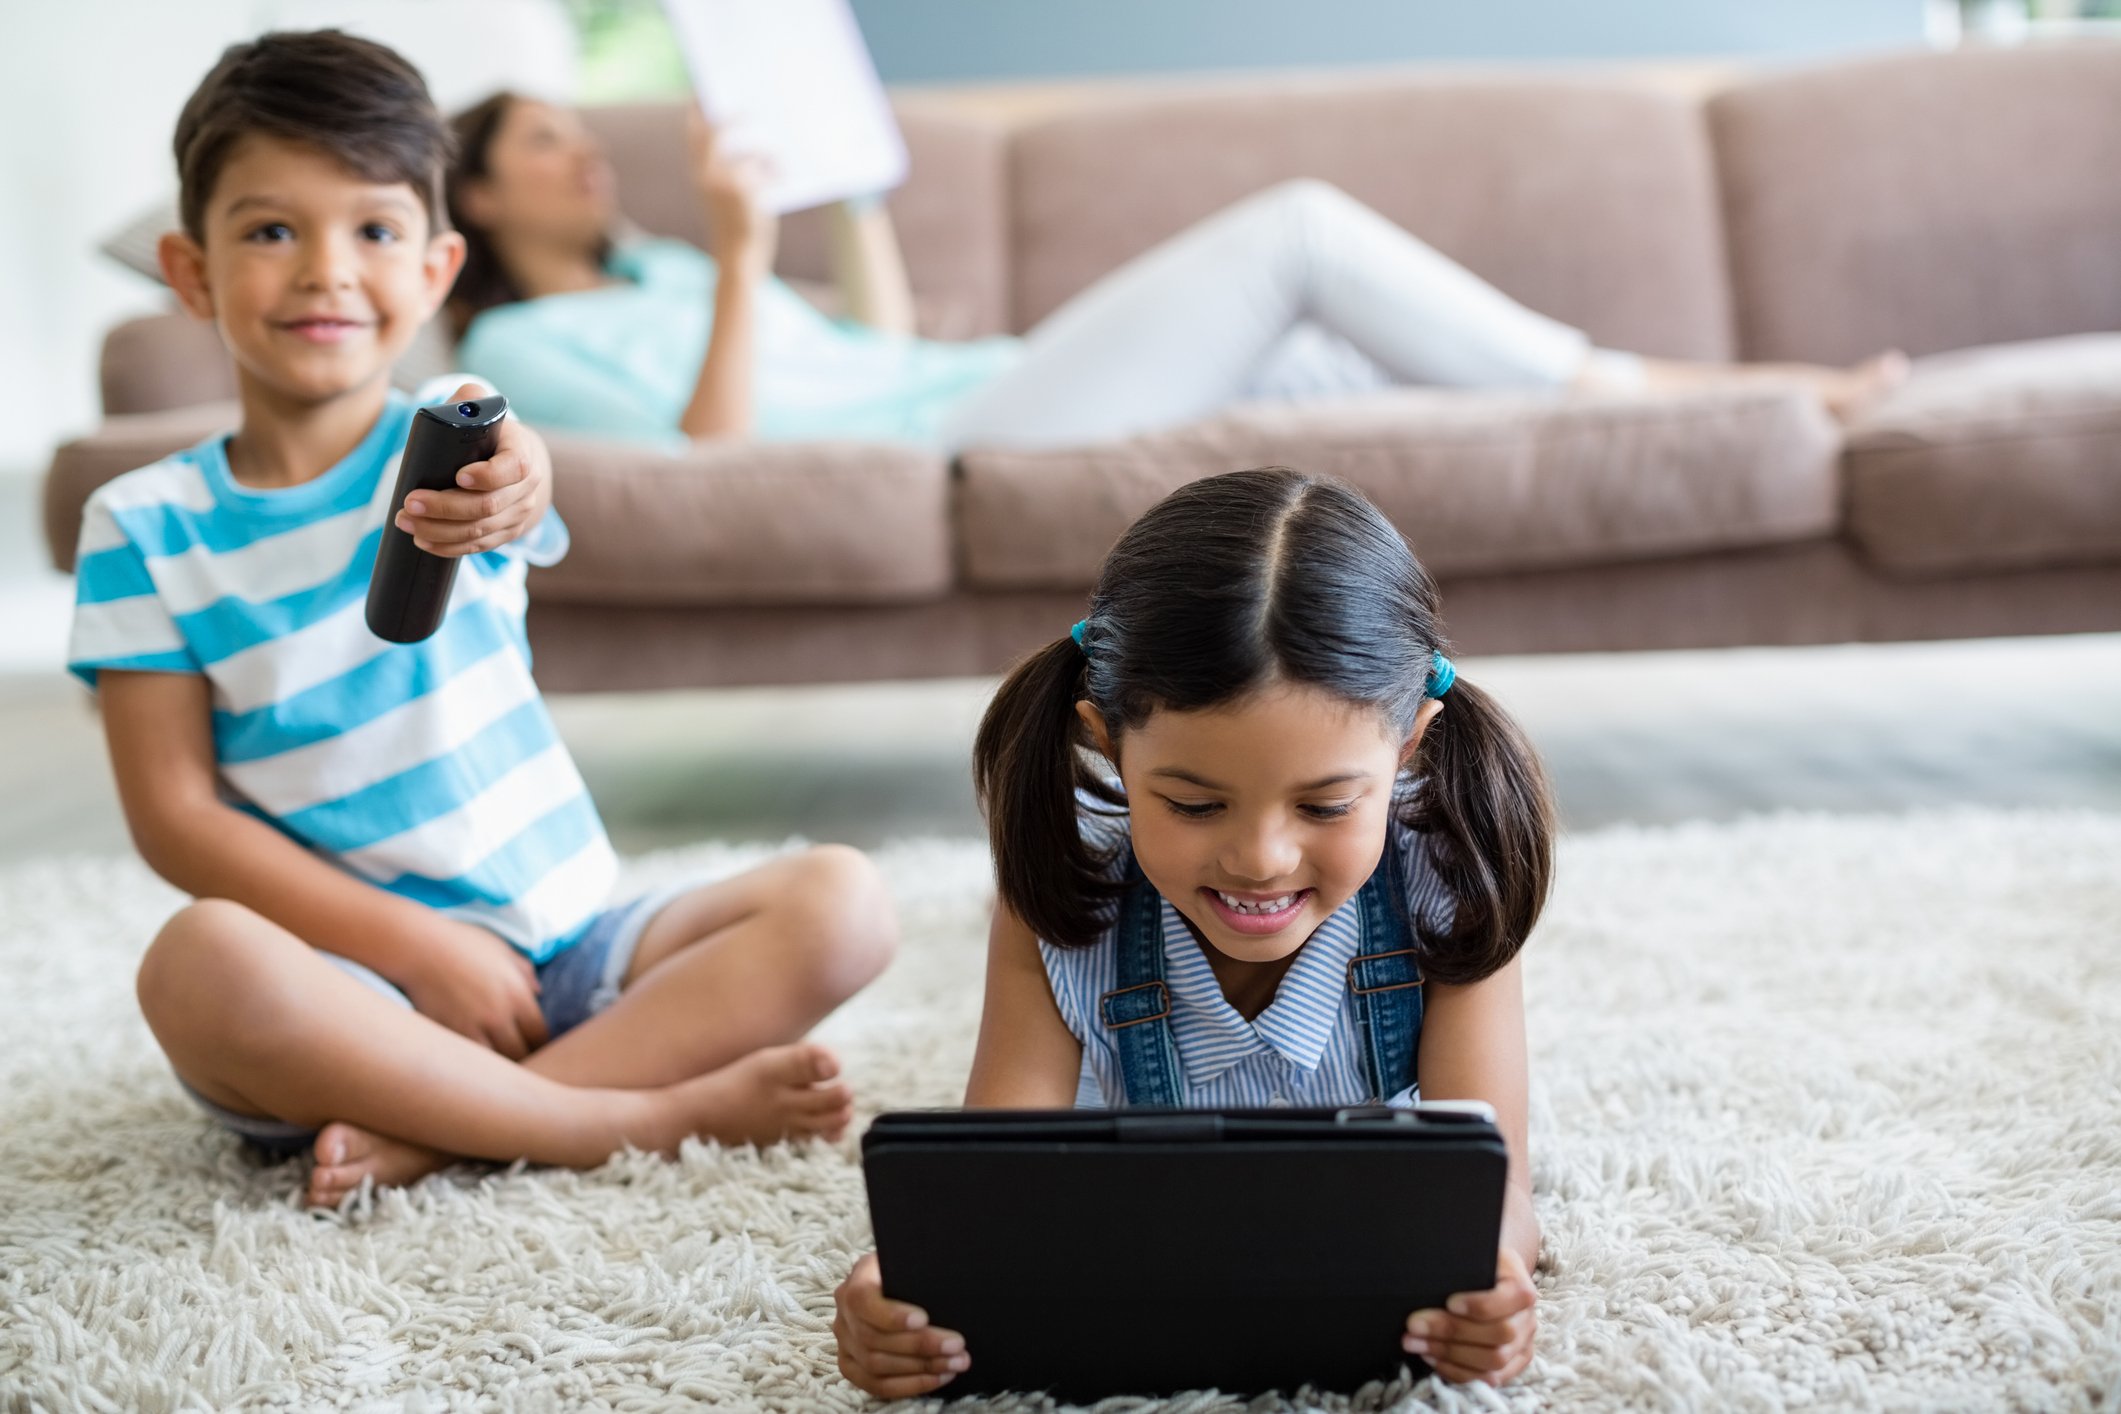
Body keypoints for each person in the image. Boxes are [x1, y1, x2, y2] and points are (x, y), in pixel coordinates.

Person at [69, 30, 895, 1210]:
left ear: (439, 267)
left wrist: (517, 472)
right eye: (268, 230)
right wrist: (418, 949)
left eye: (374, 230)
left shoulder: (452, 435)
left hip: (571, 942)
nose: (325, 270)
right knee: (197, 963)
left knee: (844, 901)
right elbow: (177, 817)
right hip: (362, 995)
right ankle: (632, 1114)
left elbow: (510, 453)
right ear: (191, 271)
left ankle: (454, 1134)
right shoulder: (140, 524)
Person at [833, 467, 1556, 1395]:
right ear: (1107, 742)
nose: (1260, 858)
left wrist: (1493, 1281)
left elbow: (1500, 1190)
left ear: (1408, 746)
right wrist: (899, 1292)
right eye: (1192, 802)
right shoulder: (1060, 897)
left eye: (1328, 805)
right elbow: (996, 1183)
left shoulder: (1449, 883)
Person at [441, 93, 1904, 453]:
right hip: (945, 445)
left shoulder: (668, 268)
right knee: (1299, 234)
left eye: (584, 136)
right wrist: (750, 254)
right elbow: (718, 453)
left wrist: (839, 186)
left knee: (1331, 358)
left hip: (966, 384)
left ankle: (1689, 413)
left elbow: (875, 338)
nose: (590, 160)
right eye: (549, 146)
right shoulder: (540, 348)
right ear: (479, 193)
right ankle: (1705, 390)